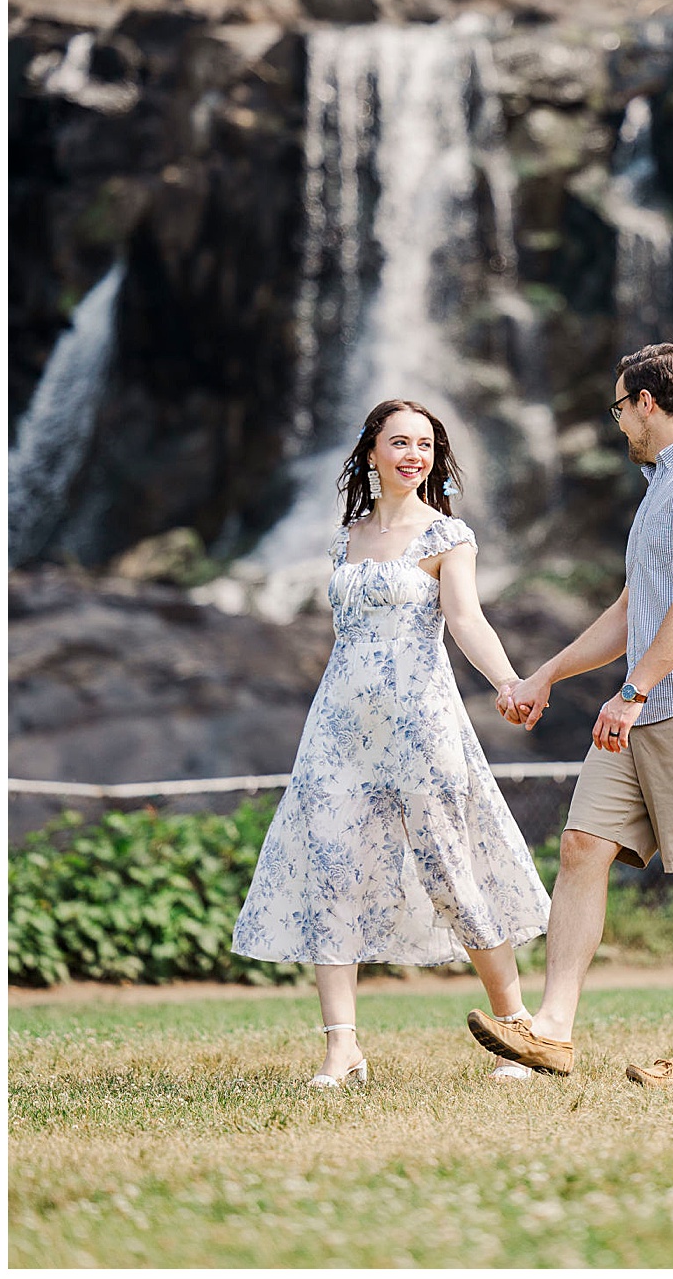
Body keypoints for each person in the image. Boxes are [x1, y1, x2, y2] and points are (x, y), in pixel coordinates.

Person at [468, 342, 673, 1088]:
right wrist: (546, 673)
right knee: (581, 845)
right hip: (644, 703)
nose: (617, 424)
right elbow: (633, 608)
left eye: (617, 407)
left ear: (644, 401)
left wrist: (630, 692)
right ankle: (552, 1031)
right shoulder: (660, 489)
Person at [232, 399, 550, 1087]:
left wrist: (508, 681)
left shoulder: (448, 536)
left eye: (426, 444)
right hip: (340, 728)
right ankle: (342, 1048)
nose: (413, 453)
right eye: (399, 441)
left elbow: (466, 620)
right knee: (334, 873)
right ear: (371, 451)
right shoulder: (345, 536)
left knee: (450, 869)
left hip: (421, 723)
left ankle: (517, 1026)